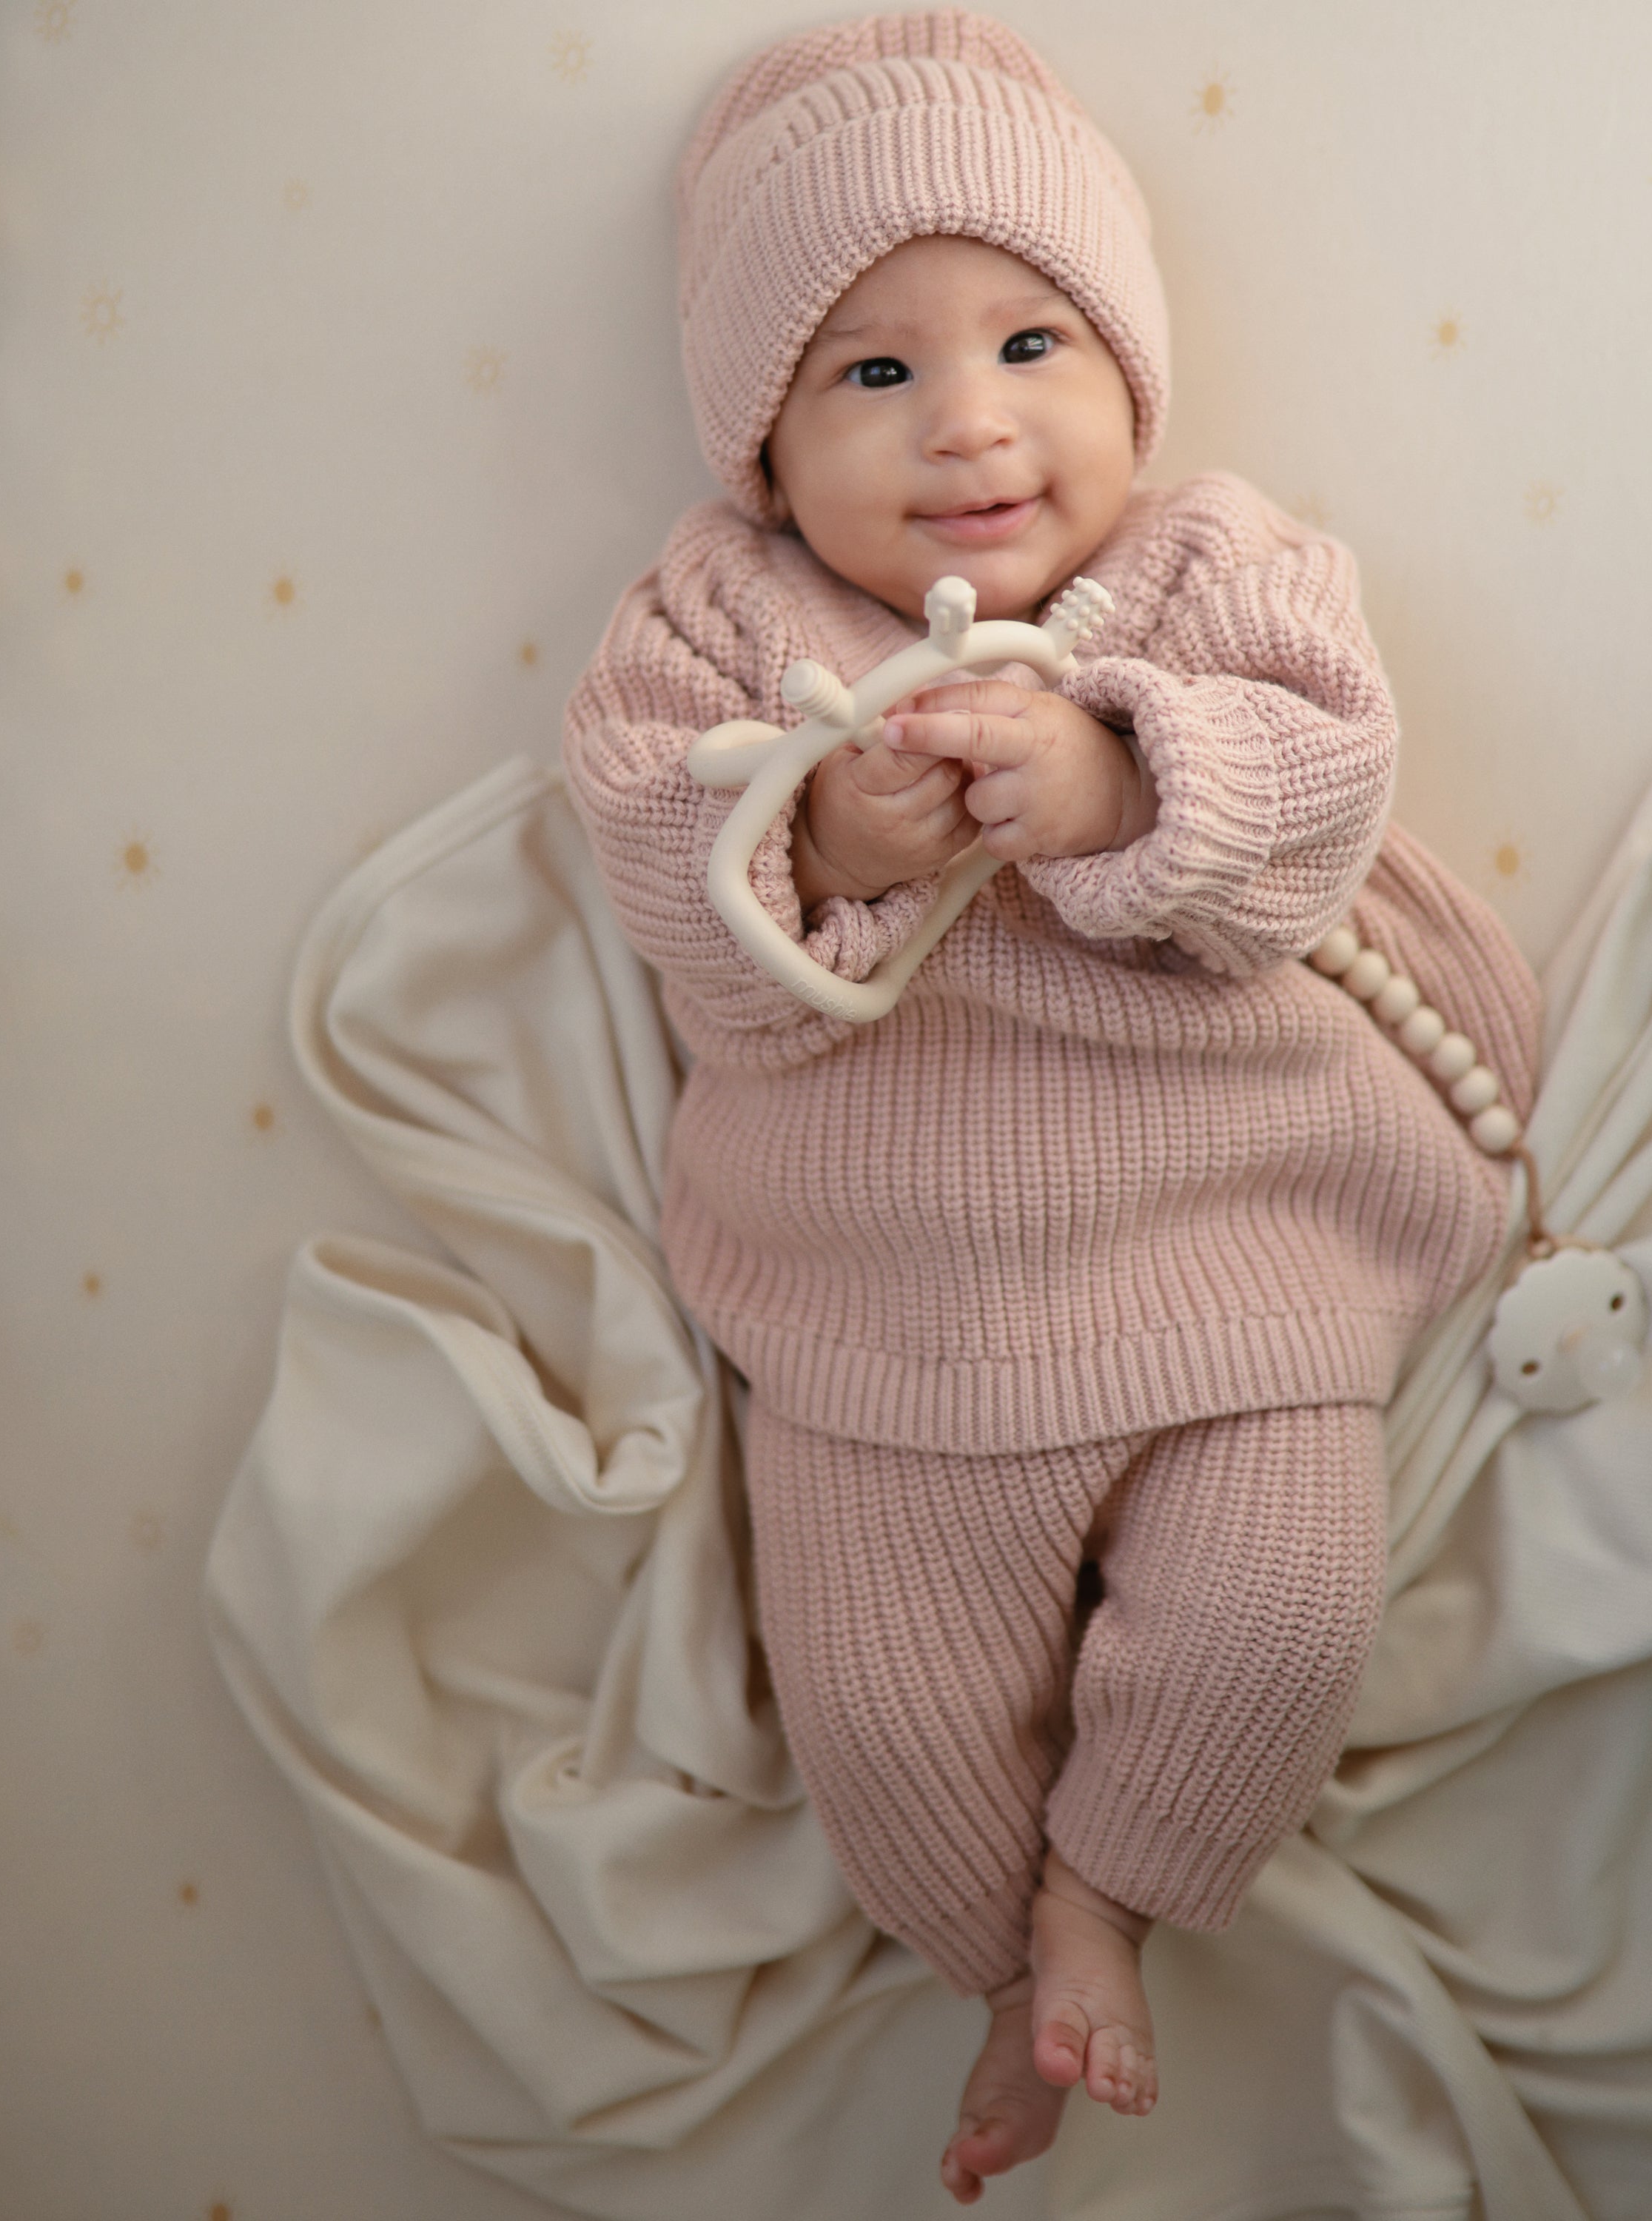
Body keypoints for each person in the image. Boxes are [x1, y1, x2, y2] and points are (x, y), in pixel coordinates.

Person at [563, 11, 1539, 2201]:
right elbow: (644, 831)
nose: (971, 422)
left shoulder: (1210, 574)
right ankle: (997, 1953)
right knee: (883, 1725)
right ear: (761, 445)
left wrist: (1116, 778)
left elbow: (1326, 777)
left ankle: (1111, 1889)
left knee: (1281, 1612)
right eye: (873, 371)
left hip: (1233, 1259)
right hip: (885, 1321)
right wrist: (826, 832)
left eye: (1031, 343)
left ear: (1130, 373)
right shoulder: (716, 618)